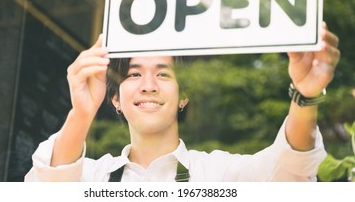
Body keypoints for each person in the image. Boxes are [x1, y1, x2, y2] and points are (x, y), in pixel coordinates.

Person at [24, 22, 340, 182]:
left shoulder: (220, 174)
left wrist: (306, 94)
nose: (148, 86)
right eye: (134, 75)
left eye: (163, 75)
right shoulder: (94, 178)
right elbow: (48, 187)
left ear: (184, 95)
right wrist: (81, 113)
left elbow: (290, 174)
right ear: (115, 99)